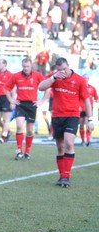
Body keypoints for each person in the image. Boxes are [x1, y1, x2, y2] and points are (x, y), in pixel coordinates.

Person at [39, 57, 94, 187]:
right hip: (57, 116)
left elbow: (86, 101)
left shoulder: (79, 80)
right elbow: (41, 87)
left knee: (69, 143)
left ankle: (66, 176)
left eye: (64, 69)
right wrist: (54, 77)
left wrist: (90, 119)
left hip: (72, 116)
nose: (62, 72)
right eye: (59, 70)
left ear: (68, 66)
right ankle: (62, 176)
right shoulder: (55, 77)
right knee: (60, 147)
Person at [4, 57, 48, 160]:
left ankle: (27, 152)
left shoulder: (37, 76)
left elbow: (48, 87)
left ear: (31, 66)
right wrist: (11, 100)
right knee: (19, 126)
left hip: (32, 105)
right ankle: (19, 150)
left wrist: (42, 101)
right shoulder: (16, 76)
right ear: (22, 66)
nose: (26, 68)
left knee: (30, 130)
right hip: (21, 104)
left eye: (27, 66)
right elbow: (6, 88)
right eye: (24, 66)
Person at [78, 73, 98, 146]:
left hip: (88, 108)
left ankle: (88, 140)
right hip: (80, 108)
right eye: (84, 78)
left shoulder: (92, 88)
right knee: (81, 124)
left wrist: (95, 102)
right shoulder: (78, 87)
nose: (85, 79)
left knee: (87, 123)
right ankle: (83, 140)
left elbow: (96, 98)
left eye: (87, 78)